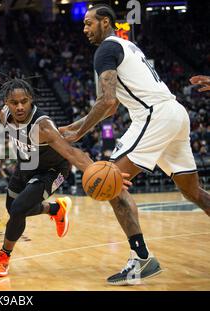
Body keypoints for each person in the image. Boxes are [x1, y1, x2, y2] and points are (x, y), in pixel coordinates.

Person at [59, 4, 210, 285]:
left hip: (155, 115)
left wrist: (79, 132)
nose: (85, 29)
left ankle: (141, 259)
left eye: (89, 23)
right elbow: (112, 107)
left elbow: (108, 102)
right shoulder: (129, 47)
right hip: (175, 113)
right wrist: (78, 125)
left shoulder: (105, 50)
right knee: (194, 192)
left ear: (105, 22)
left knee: (110, 184)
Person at [0, 78, 132, 277]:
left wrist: (108, 176)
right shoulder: (4, 115)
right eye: (14, 103)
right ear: (6, 103)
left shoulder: (43, 126)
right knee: (12, 209)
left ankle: (3, 256)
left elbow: (73, 154)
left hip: (53, 170)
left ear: (31, 100)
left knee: (19, 209)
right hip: (26, 166)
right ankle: (56, 209)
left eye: (24, 101)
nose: (20, 106)